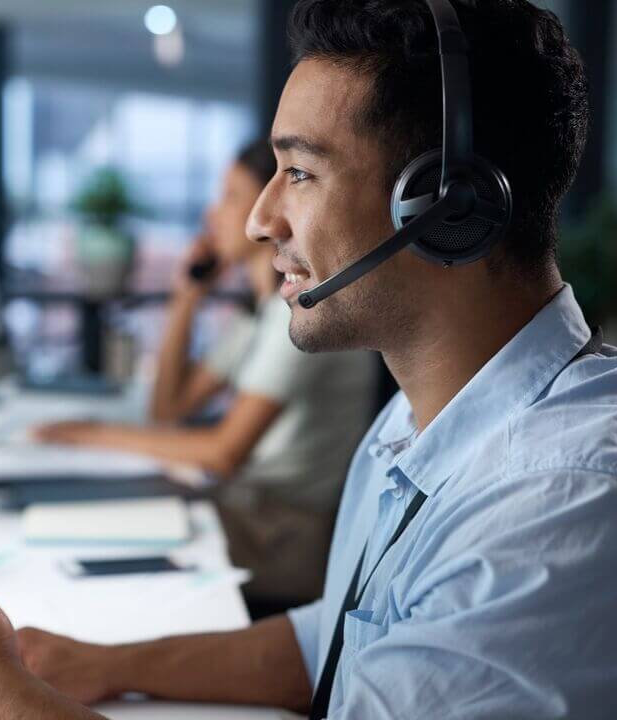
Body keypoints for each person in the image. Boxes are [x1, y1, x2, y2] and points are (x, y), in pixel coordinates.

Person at [0, 1, 617, 718]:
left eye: (300, 172)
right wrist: (101, 663)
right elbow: (339, 638)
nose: (259, 221)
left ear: (448, 207)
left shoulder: (575, 508)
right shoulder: (432, 419)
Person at [35, 140, 374, 606]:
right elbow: (168, 408)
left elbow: (221, 454)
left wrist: (88, 434)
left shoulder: (299, 318)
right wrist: (187, 296)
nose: (215, 215)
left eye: (231, 196)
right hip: (250, 513)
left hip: (283, 535)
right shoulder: (258, 315)